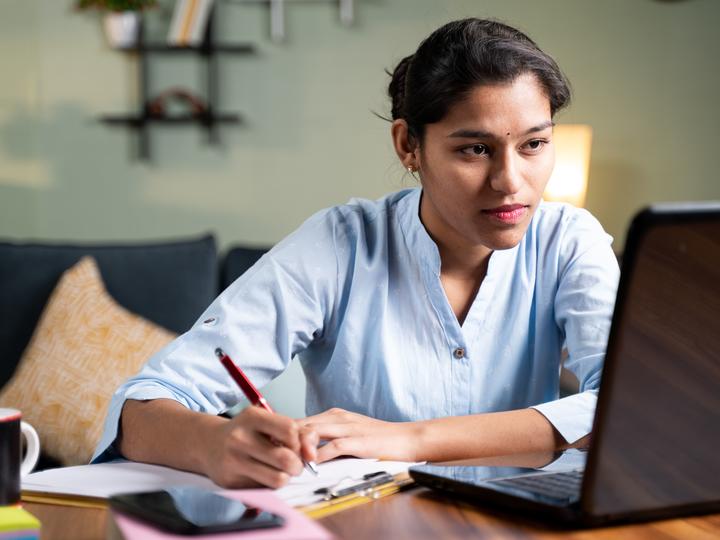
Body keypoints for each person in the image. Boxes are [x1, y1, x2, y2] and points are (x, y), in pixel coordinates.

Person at [93, 18, 619, 489]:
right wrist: (216, 445)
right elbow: (143, 405)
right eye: (475, 149)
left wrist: (411, 440)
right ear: (408, 146)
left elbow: (625, 413)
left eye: (533, 144)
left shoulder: (569, 241)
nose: (510, 181)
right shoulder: (340, 245)